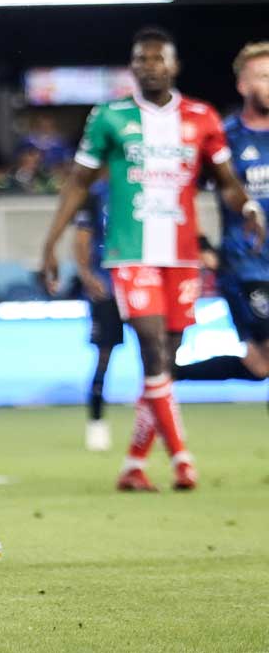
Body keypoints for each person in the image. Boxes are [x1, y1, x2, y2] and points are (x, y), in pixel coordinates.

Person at [41, 28, 265, 493]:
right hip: (131, 251)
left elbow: (224, 179)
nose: (149, 66)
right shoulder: (109, 117)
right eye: (141, 60)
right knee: (153, 351)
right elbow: (79, 183)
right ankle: (182, 458)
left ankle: (133, 465)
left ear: (174, 66)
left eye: (158, 59)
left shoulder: (201, 117)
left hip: (182, 256)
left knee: (166, 360)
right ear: (133, 67)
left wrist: (246, 208)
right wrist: (51, 243)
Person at [175, 42, 269, 393]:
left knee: (259, 366)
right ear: (243, 85)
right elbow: (186, 190)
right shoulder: (224, 136)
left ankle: (169, 373)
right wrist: (200, 243)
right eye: (262, 76)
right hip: (247, 265)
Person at [73, 180, 122, 452]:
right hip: (107, 287)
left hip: (138, 282)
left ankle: (158, 422)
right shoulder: (95, 194)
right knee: (103, 356)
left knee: (154, 354)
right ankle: (96, 423)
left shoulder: (140, 186)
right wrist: (87, 276)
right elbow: (82, 238)